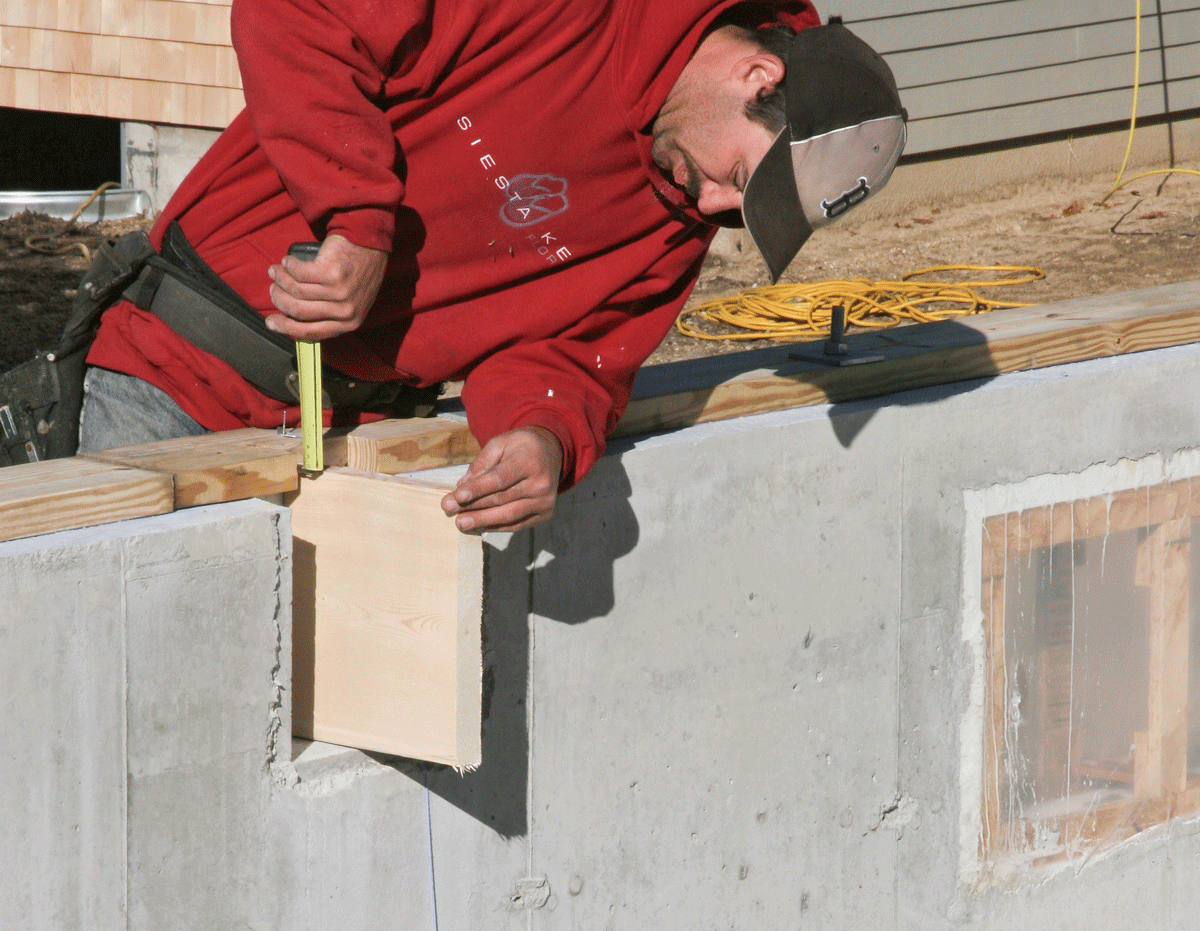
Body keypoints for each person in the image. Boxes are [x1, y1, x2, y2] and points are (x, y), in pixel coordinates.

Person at [79, 0, 905, 533]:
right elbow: (300, 12)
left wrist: (540, 436)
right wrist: (358, 218)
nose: (720, 213)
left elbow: (573, 356)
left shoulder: (674, 218)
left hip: (349, 440)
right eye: (740, 180)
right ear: (756, 75)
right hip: (172, 377)